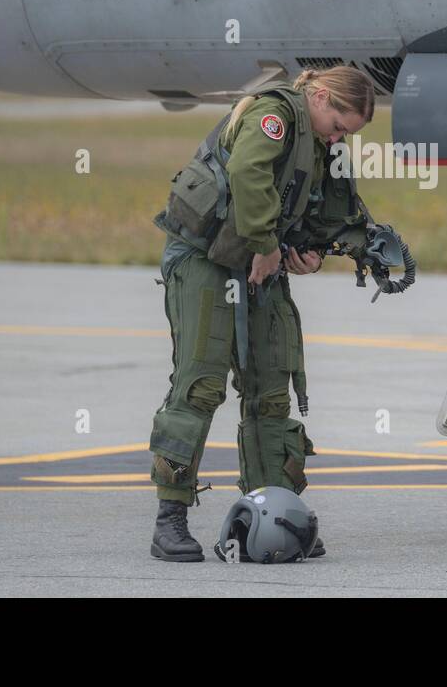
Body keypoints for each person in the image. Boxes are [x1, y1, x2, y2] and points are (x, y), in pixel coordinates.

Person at [147, 66, 376, 562]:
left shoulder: (316, 142)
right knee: (200, 385)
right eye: (338, 124)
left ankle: (275, 516)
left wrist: (307, 252)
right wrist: (268, 245)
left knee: (271, 390)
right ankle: (170, 521)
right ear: (318, 95)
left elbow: (306, 210)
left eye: (347, 134)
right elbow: (248, 174)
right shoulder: (274, 115)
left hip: (255, 260)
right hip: (206, 258)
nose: (339, 137)